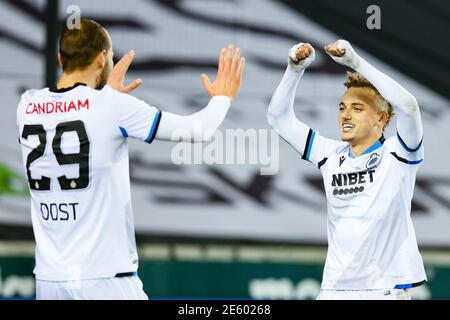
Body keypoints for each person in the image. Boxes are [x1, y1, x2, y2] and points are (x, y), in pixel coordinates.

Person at [16, 18, 245, 300]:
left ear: (60, 58)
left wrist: (104, 94)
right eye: (110, 56)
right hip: (106, 281)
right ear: (102, 59)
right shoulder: (112, 107)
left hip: (49, 281)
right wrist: (223, 97)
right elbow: (199, 130)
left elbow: (73, 112)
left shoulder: (27, 105)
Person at [267, 40, 426, 300]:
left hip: (383, 290)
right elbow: (278, 119)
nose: (345, 115)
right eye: (342, 108)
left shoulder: (398, 154)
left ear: (382, 118)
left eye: (357, 108)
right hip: (334, 290)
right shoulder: (329, 155)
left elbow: (409, 106)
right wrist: (294, 71)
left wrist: (356, 63)